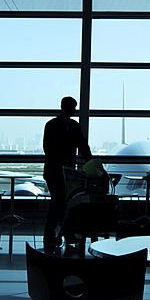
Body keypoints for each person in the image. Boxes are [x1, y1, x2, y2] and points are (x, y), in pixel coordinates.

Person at [42, 96, 91, 250]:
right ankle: (62, 233)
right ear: (68, 107)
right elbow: (82, 145)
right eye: (73, 107)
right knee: (61, 202)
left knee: (59, 202)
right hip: (61, 171)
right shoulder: (71, 126)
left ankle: (54, 234)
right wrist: (90, 161)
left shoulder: (52, 125)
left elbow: (48, 147)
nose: (74, 110)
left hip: (56, 170)